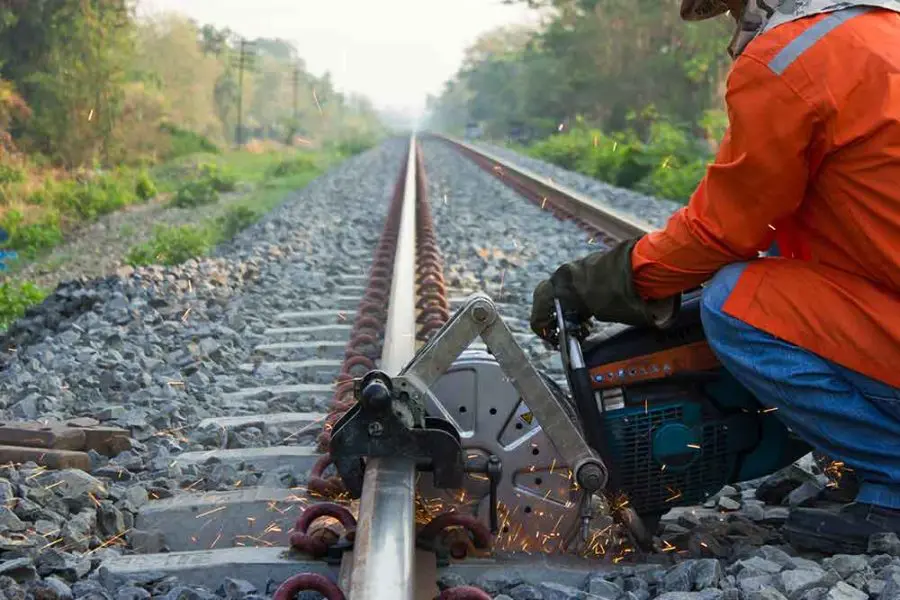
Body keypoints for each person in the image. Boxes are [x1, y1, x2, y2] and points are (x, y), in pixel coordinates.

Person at [530, 0, 900, 554]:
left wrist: (598, 283)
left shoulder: (791, 57)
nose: (736, 24)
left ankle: (892, 477)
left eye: (735, 8)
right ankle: (852, 460)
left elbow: (720, 233)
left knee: (731, 302)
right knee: (779, 253)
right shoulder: (882, 32)